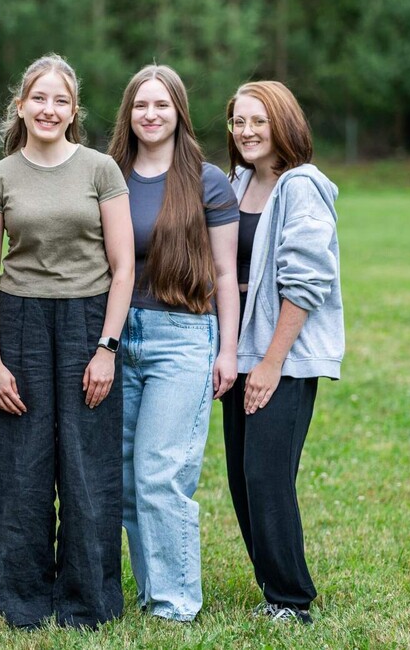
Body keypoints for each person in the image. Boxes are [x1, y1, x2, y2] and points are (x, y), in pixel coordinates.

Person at [0, 54, 134, 629]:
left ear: (73, 110)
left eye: (60, 100)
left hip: (89, 322)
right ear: (20, 106)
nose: (48, 109)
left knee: (89, 465)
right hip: (20, 324)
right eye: (38, 98)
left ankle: (87, 600)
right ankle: (17, 598)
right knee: (20, 467)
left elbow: (123, 266)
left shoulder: (100, 170)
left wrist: (107, 348)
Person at [106, 65, 240, 621]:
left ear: (179, 111)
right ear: (129, 113)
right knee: (126, 478)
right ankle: (151, 591)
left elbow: (226, 273)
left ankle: (175, 603)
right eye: (141, 105)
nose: (151, 114)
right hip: (118, 337)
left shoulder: (206, 181)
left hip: (182, 337)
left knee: (161, 472)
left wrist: (227, 350)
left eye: (162, 104)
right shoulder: (110, 174)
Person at [222, 80, 344, 625]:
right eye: (238, 121)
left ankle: (292, 601)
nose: (246, 131)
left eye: (258, 120)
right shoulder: (238, 182)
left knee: (267, 476)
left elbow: (308, 280)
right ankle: (273, 589)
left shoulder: (302, 186)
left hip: (282, 357)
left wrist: (272, 363)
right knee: (242, 478)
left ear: (283, 124)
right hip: (240, 353)